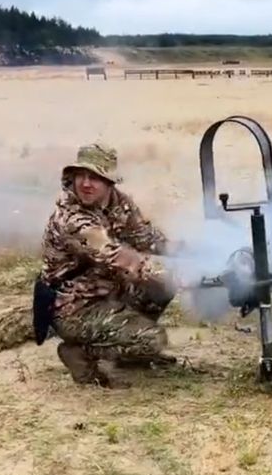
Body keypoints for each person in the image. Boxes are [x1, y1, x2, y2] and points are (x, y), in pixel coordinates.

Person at [35, 141, 183, 388]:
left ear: (109, 182)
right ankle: (81, 353)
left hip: (107, 292)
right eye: (80, 175)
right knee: (152, 340)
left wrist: (196, 253)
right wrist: (180, 276)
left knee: (160, 288)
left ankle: (129, 352)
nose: (85, 183)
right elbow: (117, 257)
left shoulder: (118, 202)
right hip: (74, 309)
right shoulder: (72, 219)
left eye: (95, 177)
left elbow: (147, 239)